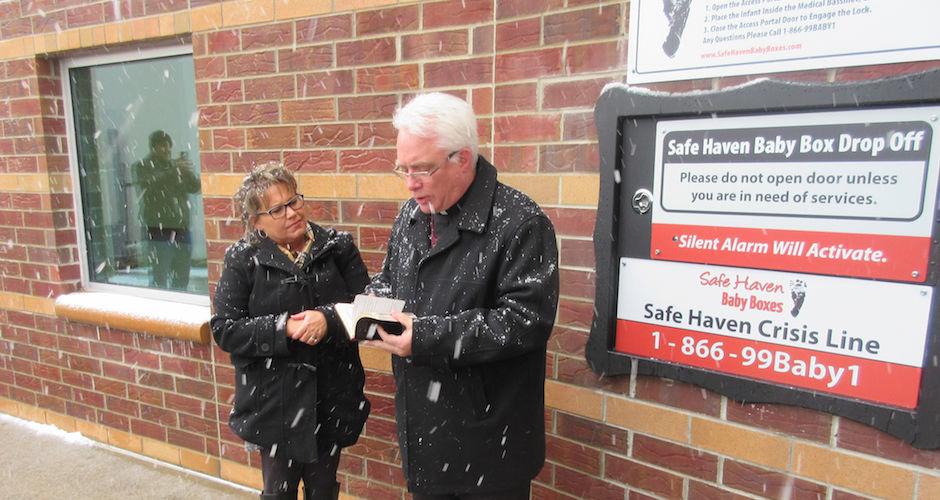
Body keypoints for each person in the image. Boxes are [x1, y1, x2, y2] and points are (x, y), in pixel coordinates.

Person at [364, 92, 560, 499]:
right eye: (403, 168)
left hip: (489, 446)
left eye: (421, 169)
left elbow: (524, 323)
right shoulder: (413, 214)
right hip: (425, 434)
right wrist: (367, 307)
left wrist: (425, 336)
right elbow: (391, 280)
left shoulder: (520, 223)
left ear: (463, 159)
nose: (410, 183)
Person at [211, 163, 371, 500]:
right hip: (274, 403)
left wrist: (327, 319)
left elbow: (367, 309)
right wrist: (282, 328)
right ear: (256, 222)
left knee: (323, 489)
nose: (291, 213)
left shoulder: (337, 247)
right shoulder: (243, 259)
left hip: (330, 395)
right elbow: (226, 329)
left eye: (294, 200)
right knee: (278, 492)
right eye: (276, 209)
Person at [133, 130, 201, 290]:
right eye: (163, 147)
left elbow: (195, 187)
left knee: (182, 274)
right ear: (154, 148)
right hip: (159, 229)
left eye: (169, 147)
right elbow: (150, 186)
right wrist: (174, 169)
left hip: (181, 228)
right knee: (160, 275)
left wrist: (188, 172)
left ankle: (180, 300)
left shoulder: (174, 166)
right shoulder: (143, 166)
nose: (167, 150)